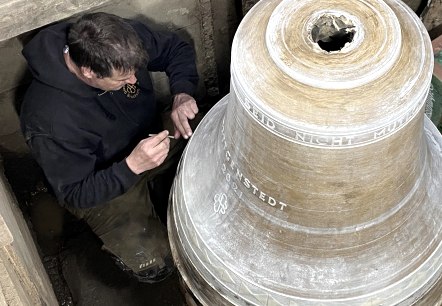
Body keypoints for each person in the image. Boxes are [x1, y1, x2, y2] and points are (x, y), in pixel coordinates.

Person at [20, 12, 200, 283]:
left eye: (133, 72)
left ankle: (159, 188)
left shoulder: (119, 42)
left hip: (148, 137)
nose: (133, 81)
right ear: (89, 72)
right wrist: (132, 167)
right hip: (101, 182)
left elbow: (176, 49)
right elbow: (74, 193)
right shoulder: (49, 119)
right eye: (122, 79)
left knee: (213, 128)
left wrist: (182, 93)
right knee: (156, 265)